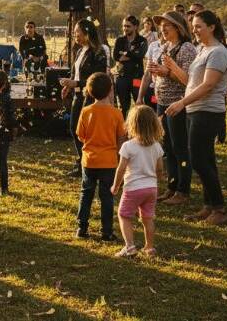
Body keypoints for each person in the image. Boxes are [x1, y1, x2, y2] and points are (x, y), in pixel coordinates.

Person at [165, 10, 227, 225]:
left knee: (199, 161)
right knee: (206, 159)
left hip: (208, 112)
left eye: (199, 26)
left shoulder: (218, 52)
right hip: (195, 110)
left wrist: (182, 102)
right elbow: (191, 80)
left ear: (212, 27)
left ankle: (219, 209)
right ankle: (209, 206)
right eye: (193, 26)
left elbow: (208, 85)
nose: (194, 30)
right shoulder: (203, 49)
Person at [144, 11, 196, 206]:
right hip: (162, 103)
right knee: (168, 148)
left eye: (168, 25)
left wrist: (167, 72)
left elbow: (189, 81)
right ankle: (172, 187)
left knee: (180, 148)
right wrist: (157, 73)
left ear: (179, 28)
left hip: (178, 104)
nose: (163, 29)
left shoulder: (187, 48)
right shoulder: (165, 47)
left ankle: (183, 190)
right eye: (162, 26)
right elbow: (162, 74)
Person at [75, 72, 126, 241]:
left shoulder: (86, 111)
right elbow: (121, 136)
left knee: (86, 193)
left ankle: (81, 228)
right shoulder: (116, 113)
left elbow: (80, 135)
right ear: (111, 89)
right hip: (108, 161)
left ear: (89, 92)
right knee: (107, 196)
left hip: (89, 160)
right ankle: (106, 231)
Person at [111, 105, 165, 258]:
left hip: (133, 188)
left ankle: (129, 247)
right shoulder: (157, 146)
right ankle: (149, 247)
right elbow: (159, 169)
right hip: (151, 188)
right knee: (147, 218)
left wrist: (116, 185)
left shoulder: (128, 146)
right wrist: (158, 180)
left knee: (124, 215)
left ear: (132, 124)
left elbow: (121, 169)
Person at [59, 19, 108, 177]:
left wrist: (76, 82)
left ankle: (89, 164)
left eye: (77, 33)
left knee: (88, 131)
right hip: (77, 95)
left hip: (90, 96)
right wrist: (69, 85)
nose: (75, 36)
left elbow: (99, 77)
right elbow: (76, 72)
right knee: (75, 129)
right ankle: (82, 161)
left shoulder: (98, 52)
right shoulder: (80, 51)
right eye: (74, 34)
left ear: (87, 33)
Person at [113, 15, 148, 118]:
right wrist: (132, 54)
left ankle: (138, 129)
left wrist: (125, 54)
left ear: (135, 27)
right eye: (124, 26)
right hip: (122, 77)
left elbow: (140, 55)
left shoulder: (142, 40)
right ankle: (123, 129)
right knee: (123, 106)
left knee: (139, 105)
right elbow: (115, 56)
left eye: (128, 26)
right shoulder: (120, 40)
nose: (125, 28)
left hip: (136, 77)